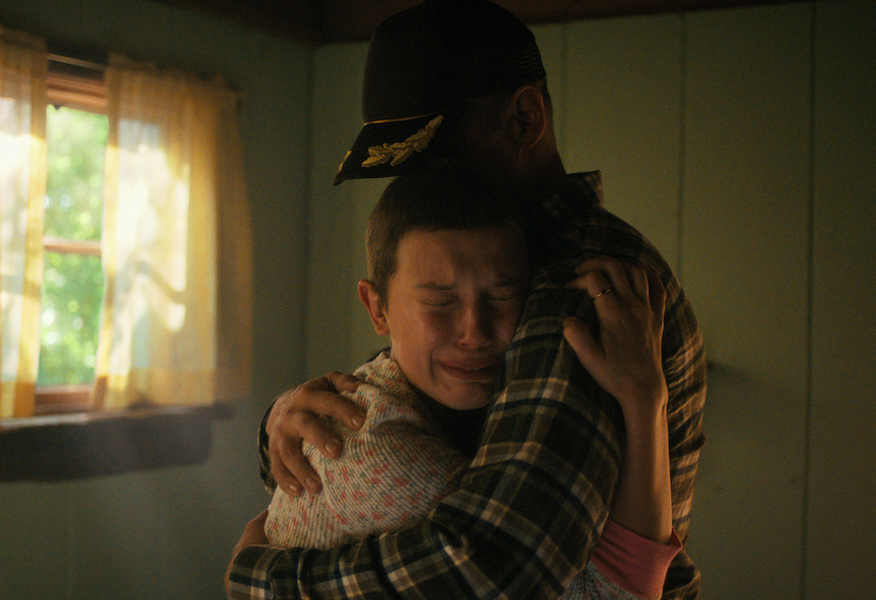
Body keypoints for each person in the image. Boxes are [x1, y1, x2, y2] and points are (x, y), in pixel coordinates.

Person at [228, 1, 707, 598]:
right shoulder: (509, 262)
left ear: (527, 116)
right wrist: (287, 425)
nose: (429, 191)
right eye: (405, 170)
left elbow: (495, 564)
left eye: (441, 158)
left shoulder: (582, 286)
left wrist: (262, 580)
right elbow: (411, 395)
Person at [258, 158, 681, 600]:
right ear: (376, 308)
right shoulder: (377, 445)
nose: (475, 332)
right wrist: (645, 399)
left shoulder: (406, 392)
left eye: (502, 296)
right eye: (440, 303)